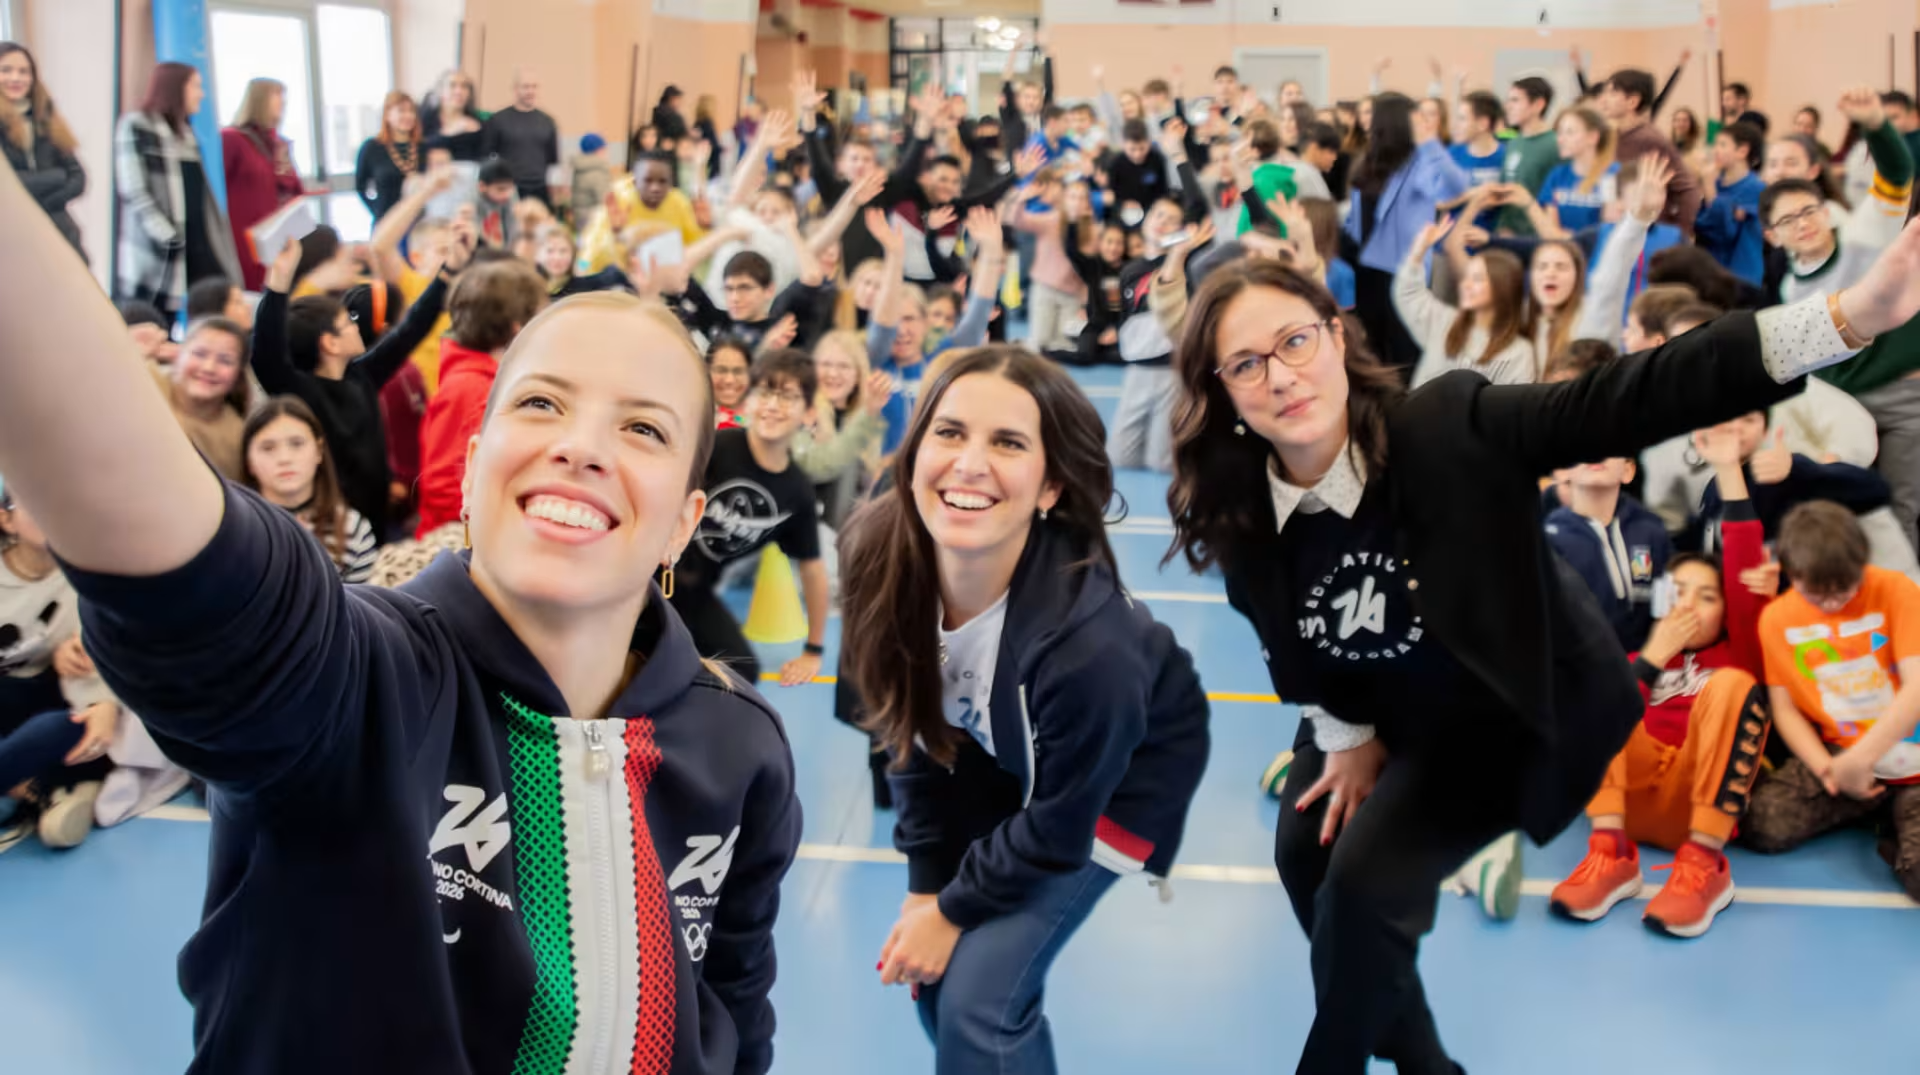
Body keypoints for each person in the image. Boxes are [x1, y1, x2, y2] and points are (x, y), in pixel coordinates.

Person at [0, 142, 807, 1067]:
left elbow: (735, 1006)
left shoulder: (740, 748)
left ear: (684, 524)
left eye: (643, 427)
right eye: (542, 404)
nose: (583, 447)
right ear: (474, 464)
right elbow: (169, 550)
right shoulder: (349, 682)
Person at [1165, 215, 1920, 1069]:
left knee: (1367, 885)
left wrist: (1853, 315)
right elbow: (1281, 632)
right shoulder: (1239, 508)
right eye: (1246, 363)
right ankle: (1427, 1063)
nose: (1280, 375)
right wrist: (1346, 733)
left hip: (1498, 704)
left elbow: (1631, 394)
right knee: (1305, 853)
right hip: (1374, 700)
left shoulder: (1447, 426)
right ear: (1222, 391)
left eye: (1295, 341)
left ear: (1337, 337)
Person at [839, 346, 1209, 1074]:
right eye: (950, 433)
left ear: (1050, 486)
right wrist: (926, 886)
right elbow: (908, 732)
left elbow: (1058, 827)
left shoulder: (1089, 649)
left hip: (1121, 782)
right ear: (914, 454)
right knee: (941, 991)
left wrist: (951, 909)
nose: (969, 464)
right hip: (1006, 752)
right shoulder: (877, 555)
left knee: (979, 1004)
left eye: (1008, 443)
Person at [1548, 424, 1773, 937]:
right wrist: (1653, 657)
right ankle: (1610, 857)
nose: (1690, 604)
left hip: (1698, 802)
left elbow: (1741, 559)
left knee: (1733, 685)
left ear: (1727, 611)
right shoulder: (1642, 655)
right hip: (1624, 804)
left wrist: (1727, 467)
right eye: (1680, 591)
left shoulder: (1739, 650)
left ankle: (1705, 866)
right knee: (1600, 686)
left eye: (1707, 596)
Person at [1745, 501, 1920, 900]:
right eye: (1816, 594)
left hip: (1912, 763)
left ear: (1862, 564)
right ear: (1792, 575)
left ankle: (1896, 834)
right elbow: (1784, 709)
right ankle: (1876, 812)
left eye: (1845, 590)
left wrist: (1860, 760)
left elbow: (1916, 689)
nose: (1832, 604)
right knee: (1762, 823)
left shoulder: (1896, 590)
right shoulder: (1777, 619)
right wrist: (1828, 770)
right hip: (1839, 758)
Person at [254, 237, 460, 531]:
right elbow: (266, 357)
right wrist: (277, 284)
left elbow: (409, 331)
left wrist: (447, 273)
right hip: (336, 530)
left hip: (378, 519)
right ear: (330, 343)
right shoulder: (302, 394)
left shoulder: (360, 376)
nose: (356, 326)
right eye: (347, 323)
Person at [669, 349, 831, 686]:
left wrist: (813, 650)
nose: (772, 405)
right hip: (651, 576)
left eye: (787, 396)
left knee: (742, 674)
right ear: (749, 401)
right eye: (764, 392)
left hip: (695, 595)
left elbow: (813, 569)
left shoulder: (796, 492)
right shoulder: (718, 445)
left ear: (809, 413)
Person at [0, 477, 120, 852]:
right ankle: (37, 787)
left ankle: (27, 786)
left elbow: (101, 654)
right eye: (33, 503)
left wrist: (102, 704)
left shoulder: (86, 578)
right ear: (6, 520)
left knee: (66, 726)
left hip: (49, 700)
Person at [415, 257, 550, 537]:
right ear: (518, 328)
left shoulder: (488, 380)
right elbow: (443, 487)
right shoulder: (471, 388)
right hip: (463, 540)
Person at [1343, 93, 1470, 370]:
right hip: (1365, 269)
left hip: (1404, 269)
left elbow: (1456, 187)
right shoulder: (1367, 162)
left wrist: (1430, 144)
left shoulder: (1420, 161)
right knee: (1371, 349)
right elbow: (1355, 217)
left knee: (1405, 351)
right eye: (1416, 117)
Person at [114, 62, 241, 316]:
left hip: (197, 242)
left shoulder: (187, 131)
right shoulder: (137, 125)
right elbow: (133, 189)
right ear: (175, 87)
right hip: (160, 250)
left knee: (211, 313)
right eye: (195, 86)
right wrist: (166, 236)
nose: (201, 94)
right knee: (157, 319)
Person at [241, 397, 379, 583]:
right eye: (268, 448)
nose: (284, 458)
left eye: (297, 444)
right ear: (249, 461)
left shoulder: (353, 528)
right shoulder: (237, 530)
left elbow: (361, 600)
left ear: (319, 450)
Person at [1394, 219, 1535, 387]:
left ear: (1502, 287)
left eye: (1477, 279)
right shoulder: (1445, 321)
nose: (1466, 285)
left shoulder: (1519, 353)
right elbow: (1408, 294)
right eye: (1467, 277)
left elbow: (1513, 401)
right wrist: (1418, 252)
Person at [0, 43, 86, 259]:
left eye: (24, 71)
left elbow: (78, 178)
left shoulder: (45, 118)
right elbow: (7, 185)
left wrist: (42, 205)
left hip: (60, 234)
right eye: (6, 70)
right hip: (12, 240)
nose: (16, 78)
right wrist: (56, 177)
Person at [221, 78, 305, 292]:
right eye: (276, 95)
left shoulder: (278, 144)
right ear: (260, 100)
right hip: (246, 238)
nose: (282, 102)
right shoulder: (232, 139)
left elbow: (295, 190)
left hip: (277, 236)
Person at [1597, 69, 1703, 237]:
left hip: (1648, 233)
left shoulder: (1650, 139)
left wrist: (1679, 236)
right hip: (1620, 227)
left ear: (1632, 101)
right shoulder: (1614, 136)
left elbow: (1687, 189)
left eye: (1612, 93)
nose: (1604, 100)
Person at [152, 316, 252, 481]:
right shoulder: (145, 382)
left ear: (238, 375)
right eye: (199, 354)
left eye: (225, 361)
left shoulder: (238, 439)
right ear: (178, 355)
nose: (209, 368)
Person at [1697, 122, 1768, 285]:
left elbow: (1724, 231)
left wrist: (1709, 188)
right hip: (1712, 269)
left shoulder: (1755, 188)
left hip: (1741, 274)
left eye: (1722, 145)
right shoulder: (1716, 184)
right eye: (1715, 145)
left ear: (1742, 151)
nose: (1715, 150)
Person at [482, 68, 559, 206]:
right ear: (515, 89)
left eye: (534, 87)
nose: (530, 91)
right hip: (508, 188)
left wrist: (556, 189)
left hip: (540, 188)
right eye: (525, 87)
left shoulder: (547, 121)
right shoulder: (498, 120)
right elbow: (486, 156)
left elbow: (553, 160)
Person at [1498, 76, 1562, 237]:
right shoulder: (1514, 142)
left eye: (1515, 100)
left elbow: (1557, 196)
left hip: (1537, 236)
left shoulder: (1555, 144)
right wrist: (1502, 227)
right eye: (1508, 100)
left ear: (1538, 105)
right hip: (1508, 235)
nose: (1508, 107)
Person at [354, 91, 421, 223]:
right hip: (386, 221)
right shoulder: (371, 147)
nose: (408, 116)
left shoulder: (423, 147)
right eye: (401, 111)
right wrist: (376, 210)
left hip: (419, 221)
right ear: (388, 115)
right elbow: (360, 187)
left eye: (411, 111)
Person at [419, 69, 484, 162]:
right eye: (452, 85)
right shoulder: (426, 117)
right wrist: (449, 132)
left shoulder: (476, 123)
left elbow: (482, 158)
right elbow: (417, 148)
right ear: (440, 91)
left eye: (464, 86)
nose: (459, 91)